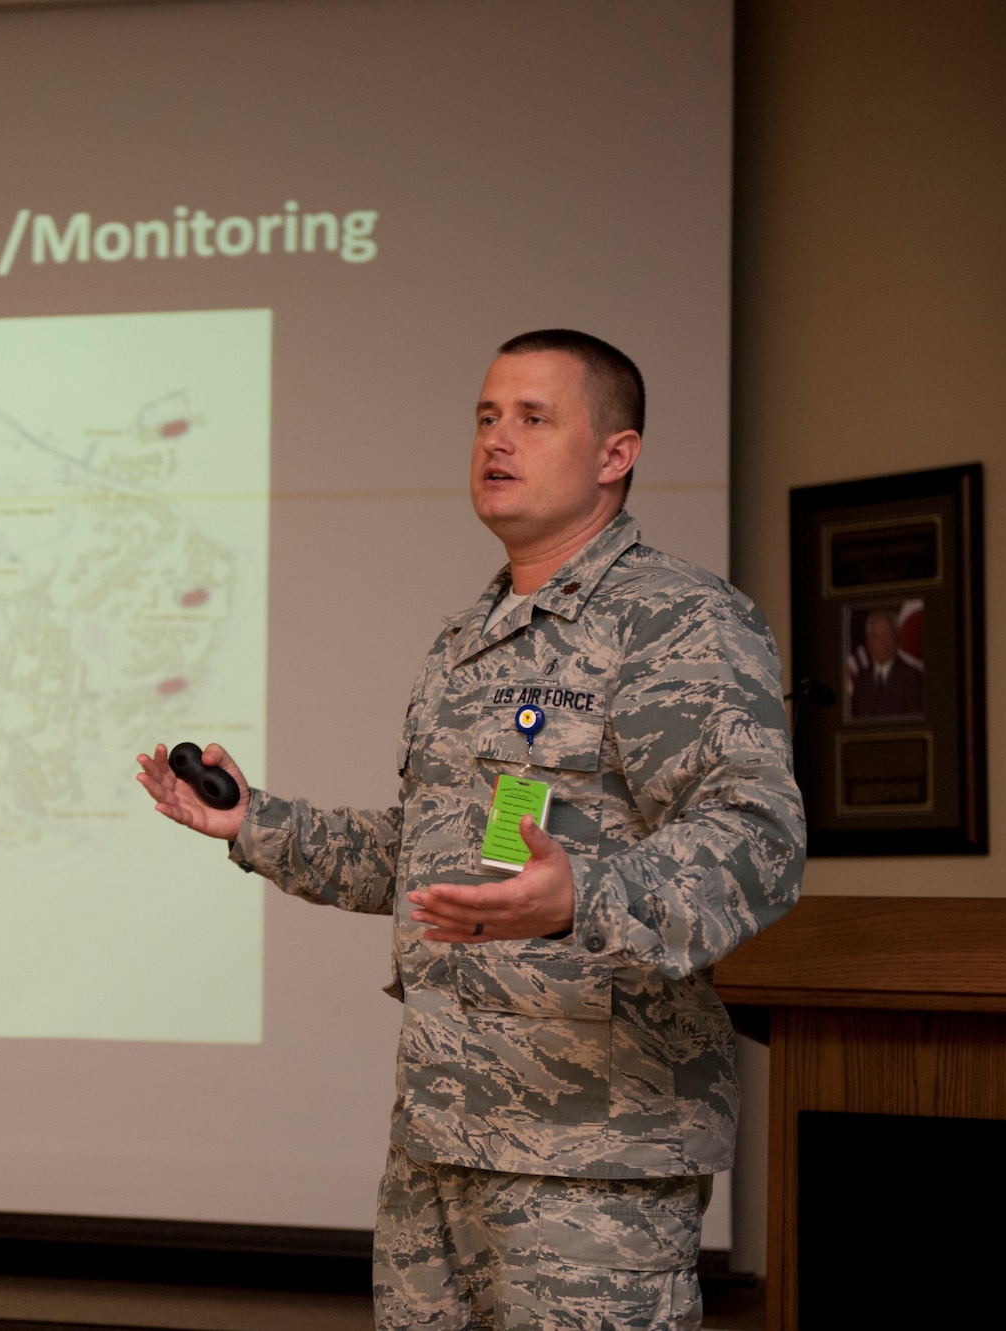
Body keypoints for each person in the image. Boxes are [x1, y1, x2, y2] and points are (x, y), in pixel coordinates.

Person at [138, 330, 804, 1330]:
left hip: (590, 1158)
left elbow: (753, 838)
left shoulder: (674, 619)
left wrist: (582, 891)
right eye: (485, 417)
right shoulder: (466, 639)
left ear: (614, 453)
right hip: (438, 1143)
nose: (496, 439)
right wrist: (254, 821)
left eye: (533, 417)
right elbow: (430, 855)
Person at [848, 608, 924, 718]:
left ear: (897, 638)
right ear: (869, 643)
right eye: (877, 636)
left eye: (888, 634)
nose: (883, 642)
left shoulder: (912, 677)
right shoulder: (860, 680)